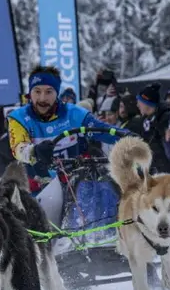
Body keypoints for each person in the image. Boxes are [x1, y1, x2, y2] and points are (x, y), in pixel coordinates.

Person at [8, 66, 125, 225]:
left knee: (103, 194)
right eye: (37, 91)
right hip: (39, 186)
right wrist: (33, 151)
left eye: (49, 92)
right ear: (30, 93)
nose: (42, 98)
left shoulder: (74, 114)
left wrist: (128, 138)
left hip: (76, 181)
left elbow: (103, 131)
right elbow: (18, 148)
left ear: (57, 93)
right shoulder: (19, 118)